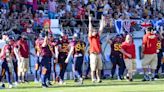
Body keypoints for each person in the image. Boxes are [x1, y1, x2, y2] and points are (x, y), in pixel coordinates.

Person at [88, 14, 105, 83]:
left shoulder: (97, 36)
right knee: (93, 67)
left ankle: (98, 78)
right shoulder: (90, 37)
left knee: (99, 67)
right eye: (94, 31)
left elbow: (101, 28)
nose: (95, 32)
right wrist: (89, 21)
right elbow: (89, 29)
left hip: (98, 53)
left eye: (95, 31)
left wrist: (102, 20)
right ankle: (93, 78)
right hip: (93, 54)